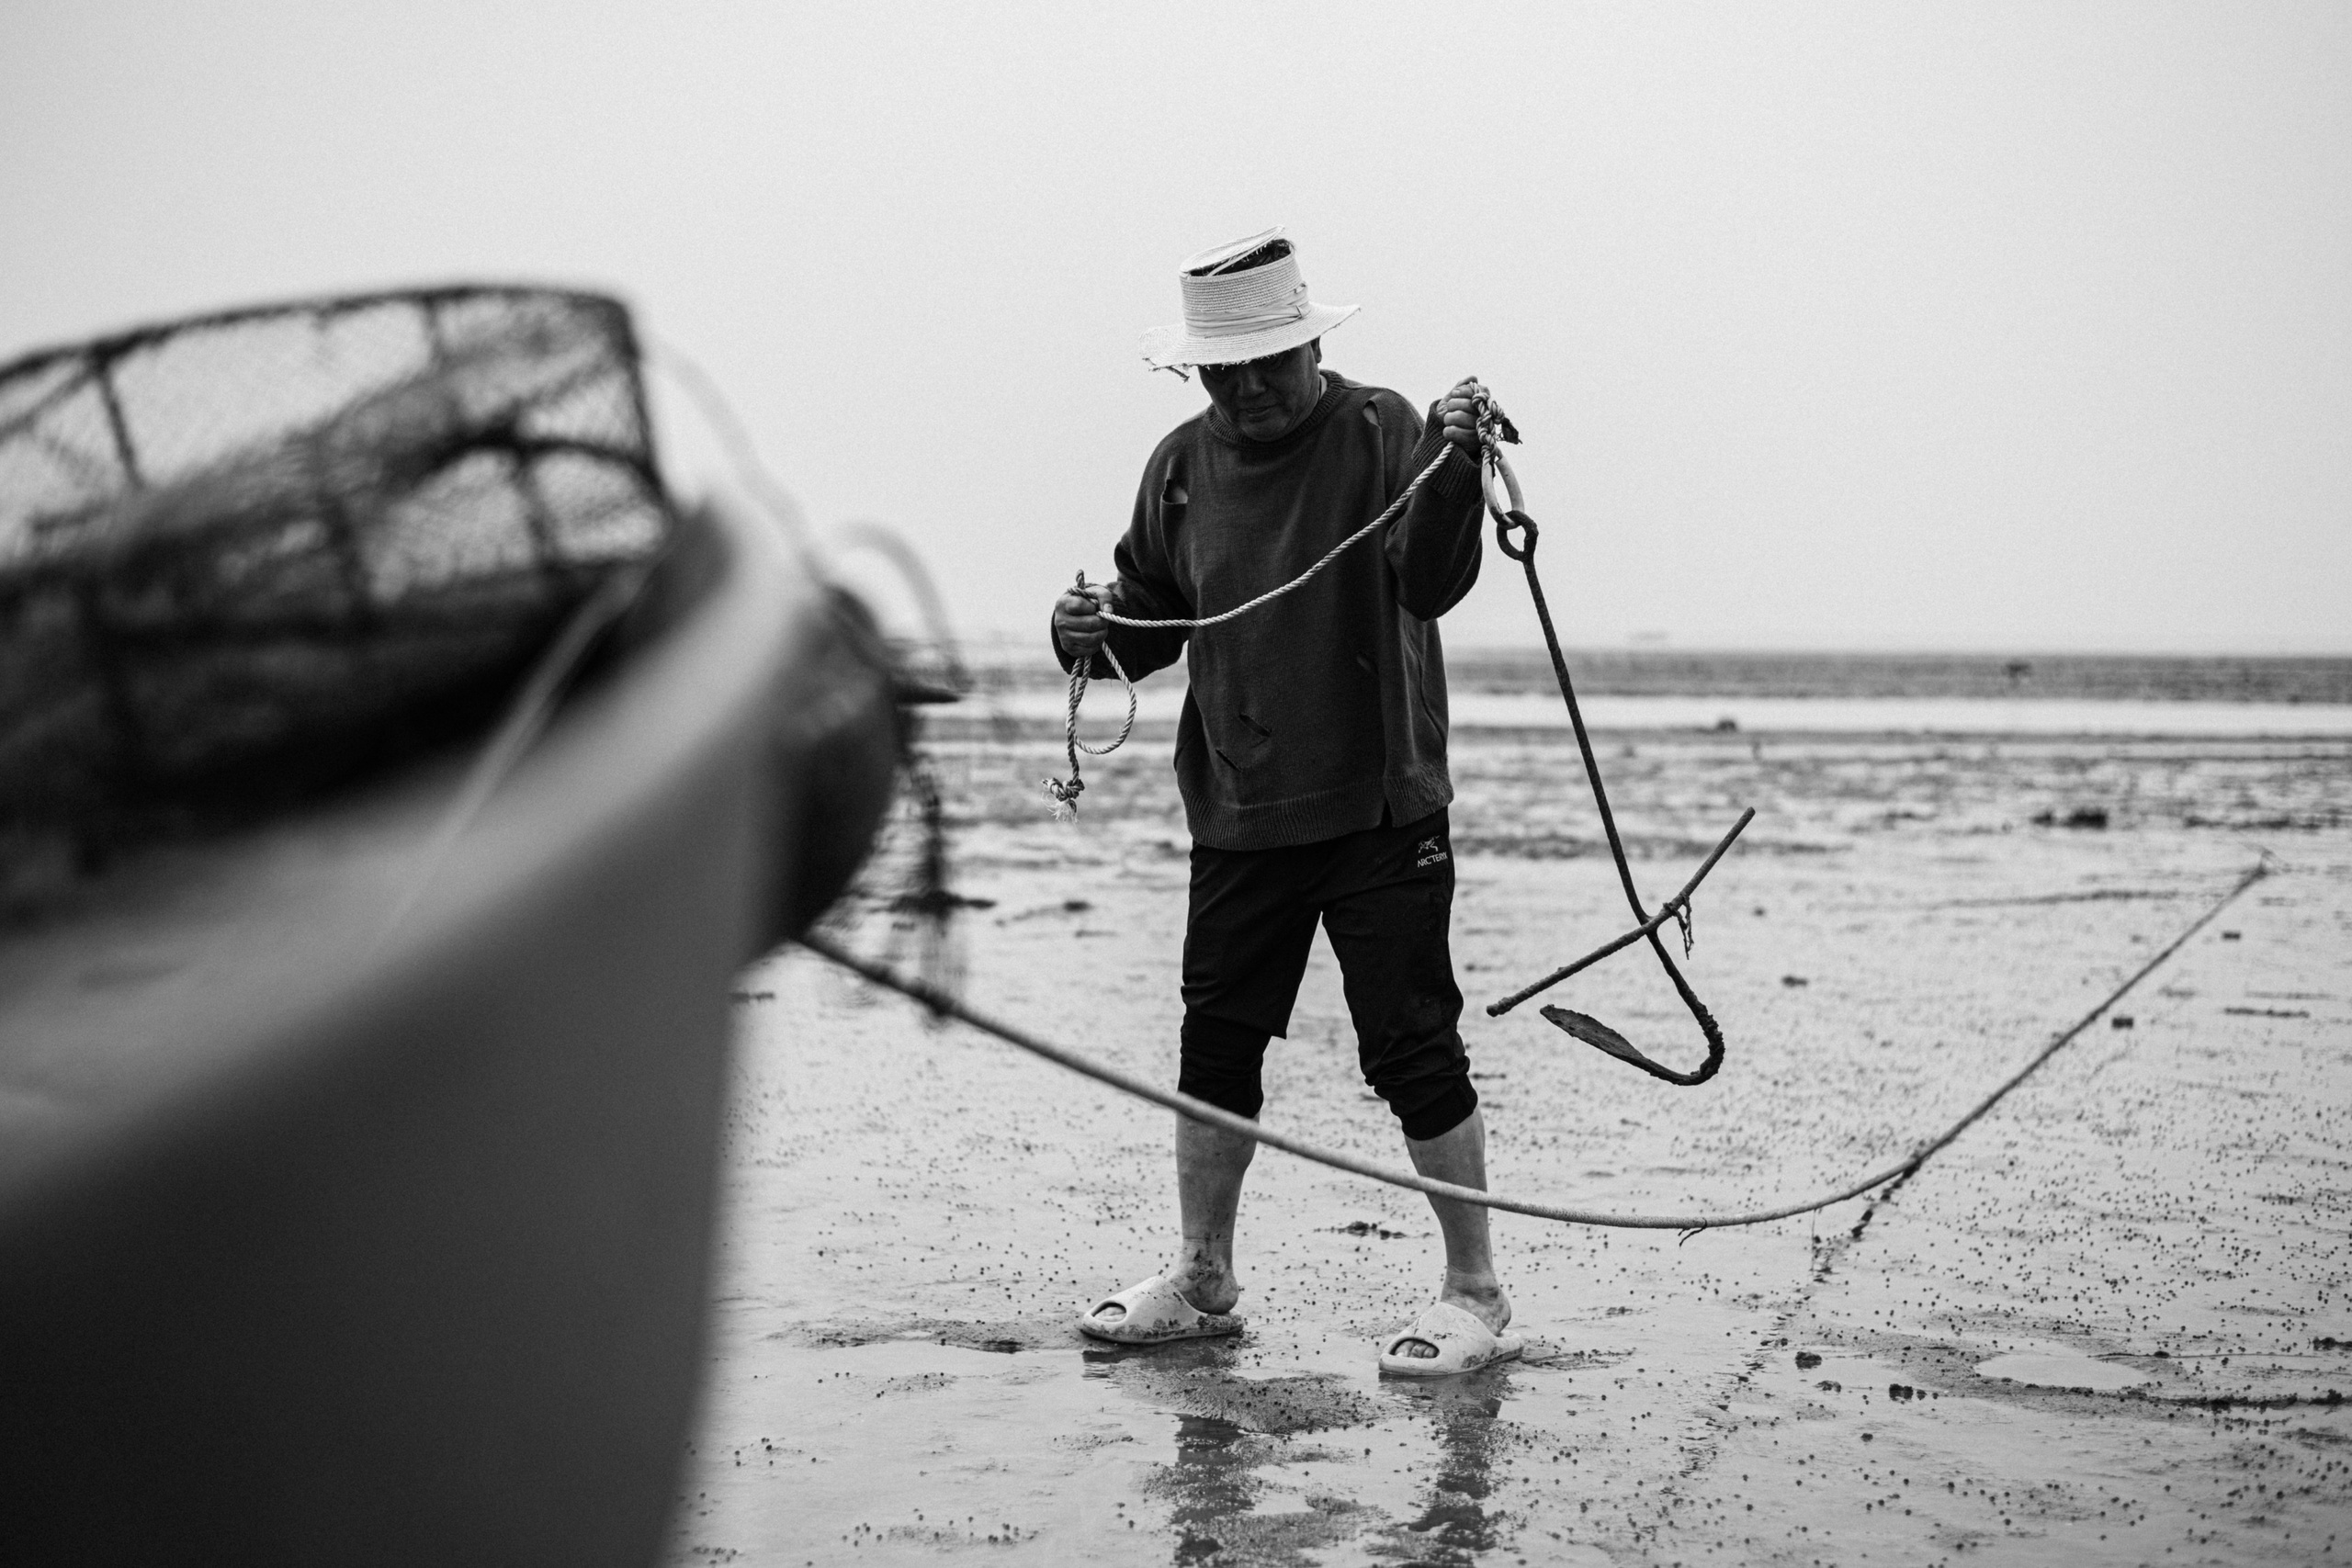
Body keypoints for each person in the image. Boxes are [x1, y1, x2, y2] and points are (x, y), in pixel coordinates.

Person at [1055, 228, 1517, 1375]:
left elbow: (1431, 580)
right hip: (1239, 806)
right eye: (1224, 371)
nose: (1249, 388)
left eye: (1268, 362)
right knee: (1215, 1047)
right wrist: (1085, 634)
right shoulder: (1177, 465)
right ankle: (1203, 1276)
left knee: (1411, 1048)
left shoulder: (1382, 430)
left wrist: (1456, 466)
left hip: (1380, 807)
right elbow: (1150, 616)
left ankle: (1474, 1291)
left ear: (1309, 345)